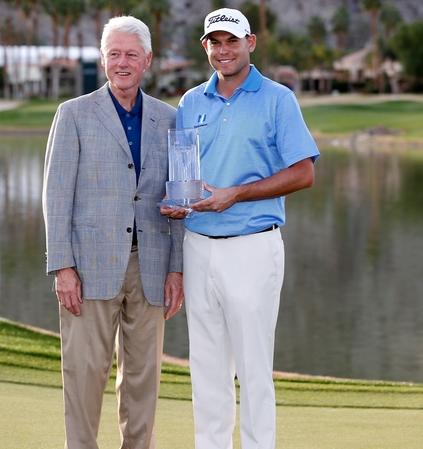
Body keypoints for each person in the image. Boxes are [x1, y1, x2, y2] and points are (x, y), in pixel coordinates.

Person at [161, 8, 320, 449]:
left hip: (252, 247)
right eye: (215, 41)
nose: (223, 50)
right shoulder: (191, 101)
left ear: (250, 43)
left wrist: (235, 193)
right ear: (205, 47)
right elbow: (186, 174)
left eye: (232, 41)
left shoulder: (277, 99)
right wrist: (179, 203)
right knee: (207, 367)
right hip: (198, 245)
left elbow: (304, 172)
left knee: (252, 368)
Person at [43, 15, 185, 449]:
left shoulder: (170, 119)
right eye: (114, 54)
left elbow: (179, 200)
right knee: (84, 377)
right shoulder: (73, 115)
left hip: (152, 267)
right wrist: (62, 266)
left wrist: (177, 268)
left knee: (143, 380)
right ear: (104, 59)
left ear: (147, 60)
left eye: (131, 55)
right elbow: (56, 196)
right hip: (88, 268)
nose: (122, 63)